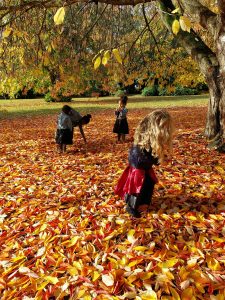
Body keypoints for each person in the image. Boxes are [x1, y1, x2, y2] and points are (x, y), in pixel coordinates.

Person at [115, 109, 174, 218]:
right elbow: (144, 157)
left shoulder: (148, 141)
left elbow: (151, 155)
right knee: (137, 190)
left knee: (148, 184)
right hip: (138, 171)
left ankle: (143, 204)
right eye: (163, 127)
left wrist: (158, 159)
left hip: (144, 169)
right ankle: (132, 207)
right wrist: (157, 160)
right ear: (154, 128)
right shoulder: (143, 144)